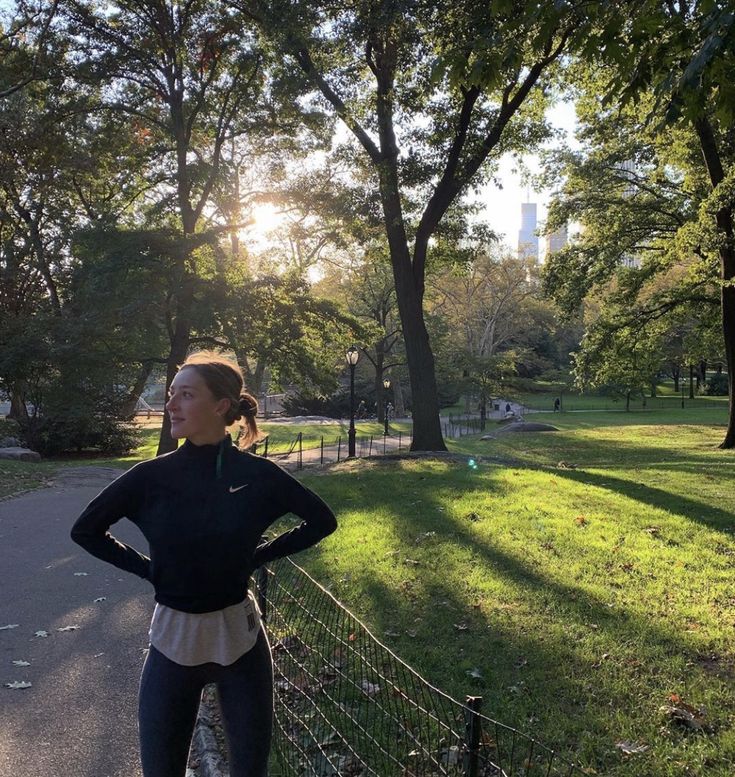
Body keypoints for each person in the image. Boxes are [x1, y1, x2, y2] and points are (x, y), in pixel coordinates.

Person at [70, 352, 337, 777]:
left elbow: (323, 521)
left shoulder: (259, 475)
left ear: (221, 406)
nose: (170, 405)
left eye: (186, 395)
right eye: (172, 395)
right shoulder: (149, 477)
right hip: (171, 643)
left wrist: (258, 557)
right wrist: (148, 570)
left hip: (240, 643)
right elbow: (85, 530)